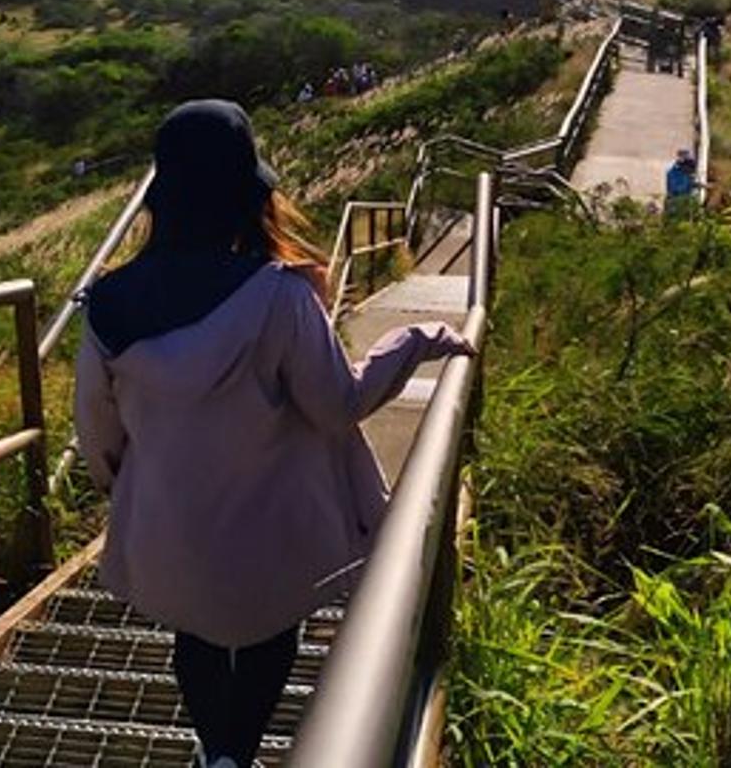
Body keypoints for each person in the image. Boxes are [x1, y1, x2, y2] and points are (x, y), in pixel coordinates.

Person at [75, 100, 472, 768]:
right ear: (243, 194)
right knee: (268, 638)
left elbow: (97, 433)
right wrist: (416, 340)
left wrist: (136, 489)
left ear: (162, 195)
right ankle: (235, 753)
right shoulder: (279, 295)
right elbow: (336, 404)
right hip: (270, 533)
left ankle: (219, 757)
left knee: (194, 635)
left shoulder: (108, 303)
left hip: (171, 529)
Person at [664, 147, 699, 218]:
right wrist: (690, 183)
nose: (691, 171)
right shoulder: (673, 173)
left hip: (685, 204)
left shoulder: (686, 173)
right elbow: (676, 189)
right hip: (675, 204)